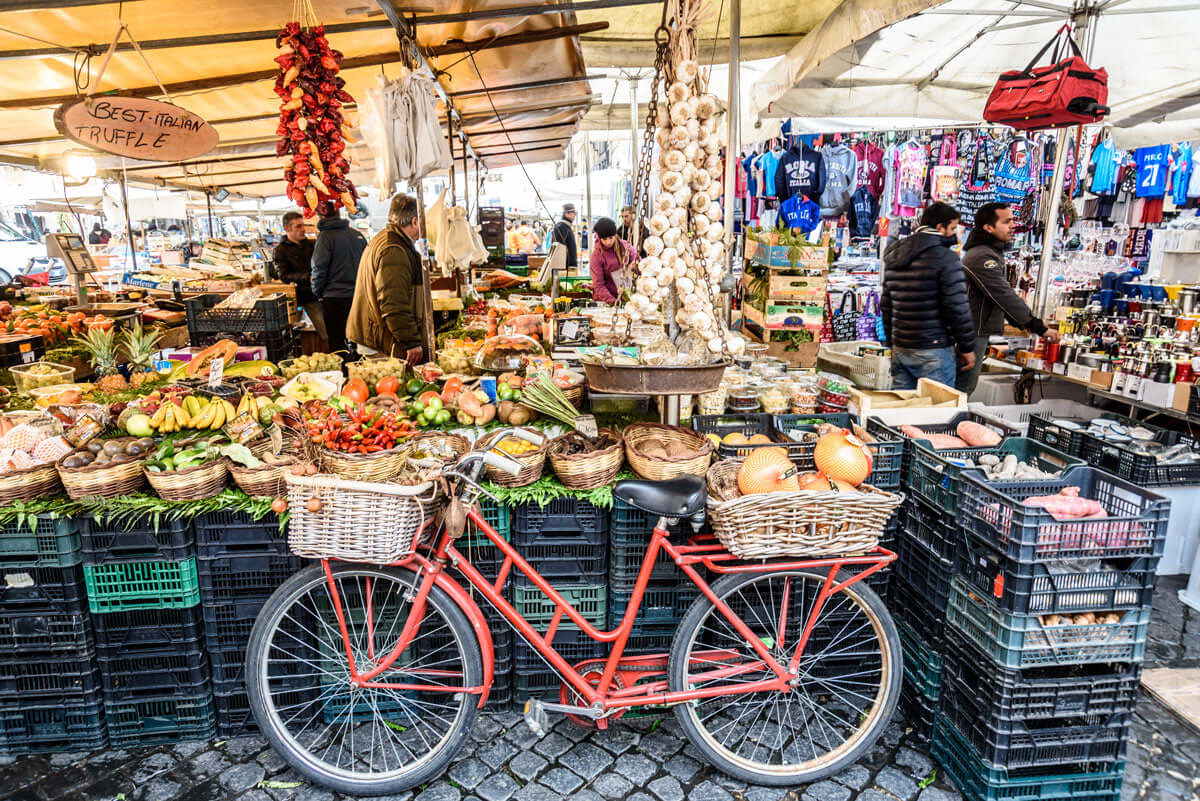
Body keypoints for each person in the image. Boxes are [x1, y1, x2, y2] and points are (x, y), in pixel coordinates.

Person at [958, 202, 1060, 394]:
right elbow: (1003, 295)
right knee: (960, 392)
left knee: (962, 391)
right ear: (988, 227)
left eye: (1013, 220)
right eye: (1007, 222)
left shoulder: (989, 253)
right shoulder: (981, 256)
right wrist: (1037, 326)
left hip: (974, 332)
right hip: (970, 334)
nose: (1013, 225)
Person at [881, 201, 976, 389]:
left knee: (901, 410)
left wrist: (892, 342)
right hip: (934, 348)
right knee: (934, 411)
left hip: (901, 347)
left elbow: (886, 305)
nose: (954, 235)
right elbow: (957, 307)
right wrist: (967, 347)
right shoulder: (946, 258)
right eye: (952, 228)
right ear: (940, 227)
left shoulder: (895, 254)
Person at [347, 194, 427, 366]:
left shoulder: (386, 239)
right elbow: (393, 303)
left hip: (374, 334)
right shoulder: (394, 250)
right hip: (379, 340)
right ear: (414, 221)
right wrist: (411, 342)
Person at [311, 206, 368, 355]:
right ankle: (359, 372)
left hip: (334, 298)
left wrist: (317, 291)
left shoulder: (325, 237)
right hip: (358, 297)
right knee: (359, 340)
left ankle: (342, 375)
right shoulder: (357, 235)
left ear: (320, 215)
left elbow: (318, 267)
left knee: (337, 343)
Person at [272, 211, 328, 343]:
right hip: (300, 297)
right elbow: (284, 275)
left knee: (328, 331)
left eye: (303, 225)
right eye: (298, 226)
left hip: (318, 294)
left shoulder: (313, 245)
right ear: (287, 229)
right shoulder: (280, 250)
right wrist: (307, 277)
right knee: (323, 332)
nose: (303, 229)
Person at [589, 217, 638, 304]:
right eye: (604, 239)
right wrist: (613, 302)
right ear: (600, 238)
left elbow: (639, 261)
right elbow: (599, 285)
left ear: (615, 235)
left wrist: (637, 265)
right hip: (606, 302)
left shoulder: (626, 246)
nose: (608, 242)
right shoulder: (596, 256)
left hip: (626, 297)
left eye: (611, 237)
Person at [552, 204, 578, 268]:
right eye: (573, 212)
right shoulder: (561, 227)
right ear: (566, 213)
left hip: (569, 267)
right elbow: (559, 250)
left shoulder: (566, 226)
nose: (575, 214)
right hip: (565, 268)